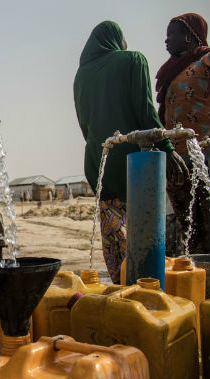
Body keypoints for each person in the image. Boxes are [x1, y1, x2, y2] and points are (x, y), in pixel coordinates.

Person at [73, 21, 187, 283]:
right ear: (117, 40)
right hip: (136, 162)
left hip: (99, 163)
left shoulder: (81, 75)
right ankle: (150, 295)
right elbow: (146, 111)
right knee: (148, 242)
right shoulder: (133, 60)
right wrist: (168, 149)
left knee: (118, 245)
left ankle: (123, 291)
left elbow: (85, 127)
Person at [156, 13, 210, 254]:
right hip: (178, 161)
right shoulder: (171, 71)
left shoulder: (207, 60)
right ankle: (198, 280)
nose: (166, 40)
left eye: (172, 34)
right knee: (189, 229)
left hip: (205, 154)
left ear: (190, 35)